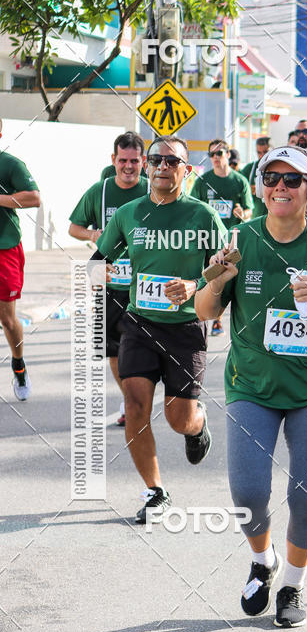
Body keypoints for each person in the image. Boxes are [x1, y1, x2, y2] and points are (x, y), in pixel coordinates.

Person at [194, 145, 307, 628]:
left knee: (305, 495)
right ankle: (262, 559)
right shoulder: (241, 239)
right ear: (259, 186)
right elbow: (205, 313)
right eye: (271, 178)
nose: (281, 188)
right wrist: (215, 281)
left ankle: (292, 584)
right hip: (251, 384)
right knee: (248, 492)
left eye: (293, 180)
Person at [92, 135, 227, 522]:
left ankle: (197, 423)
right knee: (135, 406)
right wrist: (101, 278)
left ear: (186, 170)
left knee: (177, 418)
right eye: (156, 160)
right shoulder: (129, 213)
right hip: (139, 322)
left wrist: (194, 287)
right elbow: (99, 259)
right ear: (148, 167)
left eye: (172, 162)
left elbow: (225, 268)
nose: (163, 166)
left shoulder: (201, 215)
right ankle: (155, 492)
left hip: (185, 327)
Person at [69, 132, 149, 426]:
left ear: (143, 162)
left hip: (145, 287)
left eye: (134, 161)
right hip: (109, 284)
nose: (128, 167)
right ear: (113, 160)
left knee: (151, 347)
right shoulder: (99, 192)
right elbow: (74, 227)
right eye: (123, 160)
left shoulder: (153, 189)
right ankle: (130, 400)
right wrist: (92, 234)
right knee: (113, 350)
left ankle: (141, 398)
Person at [191, 139, 252, 335]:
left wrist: (242, 213)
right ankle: (214, 319)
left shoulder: (239, 181)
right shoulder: (203, 181)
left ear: (228, 154)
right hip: (209, 239)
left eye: (219, 153)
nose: (215, 158)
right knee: (212, 277)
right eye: (211, 155)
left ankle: (232, 319)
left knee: (229, 278)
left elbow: (249, 210)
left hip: (231, 240)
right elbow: (194, 207)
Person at [0, 120, 40, 400]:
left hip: (5, 247)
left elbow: (34, 198)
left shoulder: (10, 164)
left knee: (7, 318)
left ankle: (18, 364)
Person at [240, 136, 271, 219]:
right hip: (256, 219)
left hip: (276, 219)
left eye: (265, 152)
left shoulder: (280, 168)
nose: (262, 156)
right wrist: (248, 189)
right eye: (259, 152)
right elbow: (238, 190)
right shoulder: (250, 169)